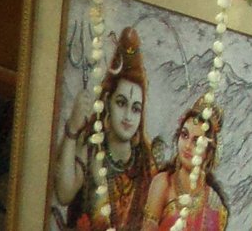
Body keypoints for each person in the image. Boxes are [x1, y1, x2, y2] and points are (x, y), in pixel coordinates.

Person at [53, 26, 155, 231]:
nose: (128, 116)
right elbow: (63, 194)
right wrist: (73, 129)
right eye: (121, 103)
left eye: (135, 109)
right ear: (107, 102)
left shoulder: (145, 164)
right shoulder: (92, 152)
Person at [140, 96, 229, 231]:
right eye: (184, 135)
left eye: (196, 142)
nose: (187, 146)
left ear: (209, 153)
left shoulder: (214, 203)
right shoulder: (164, 184)